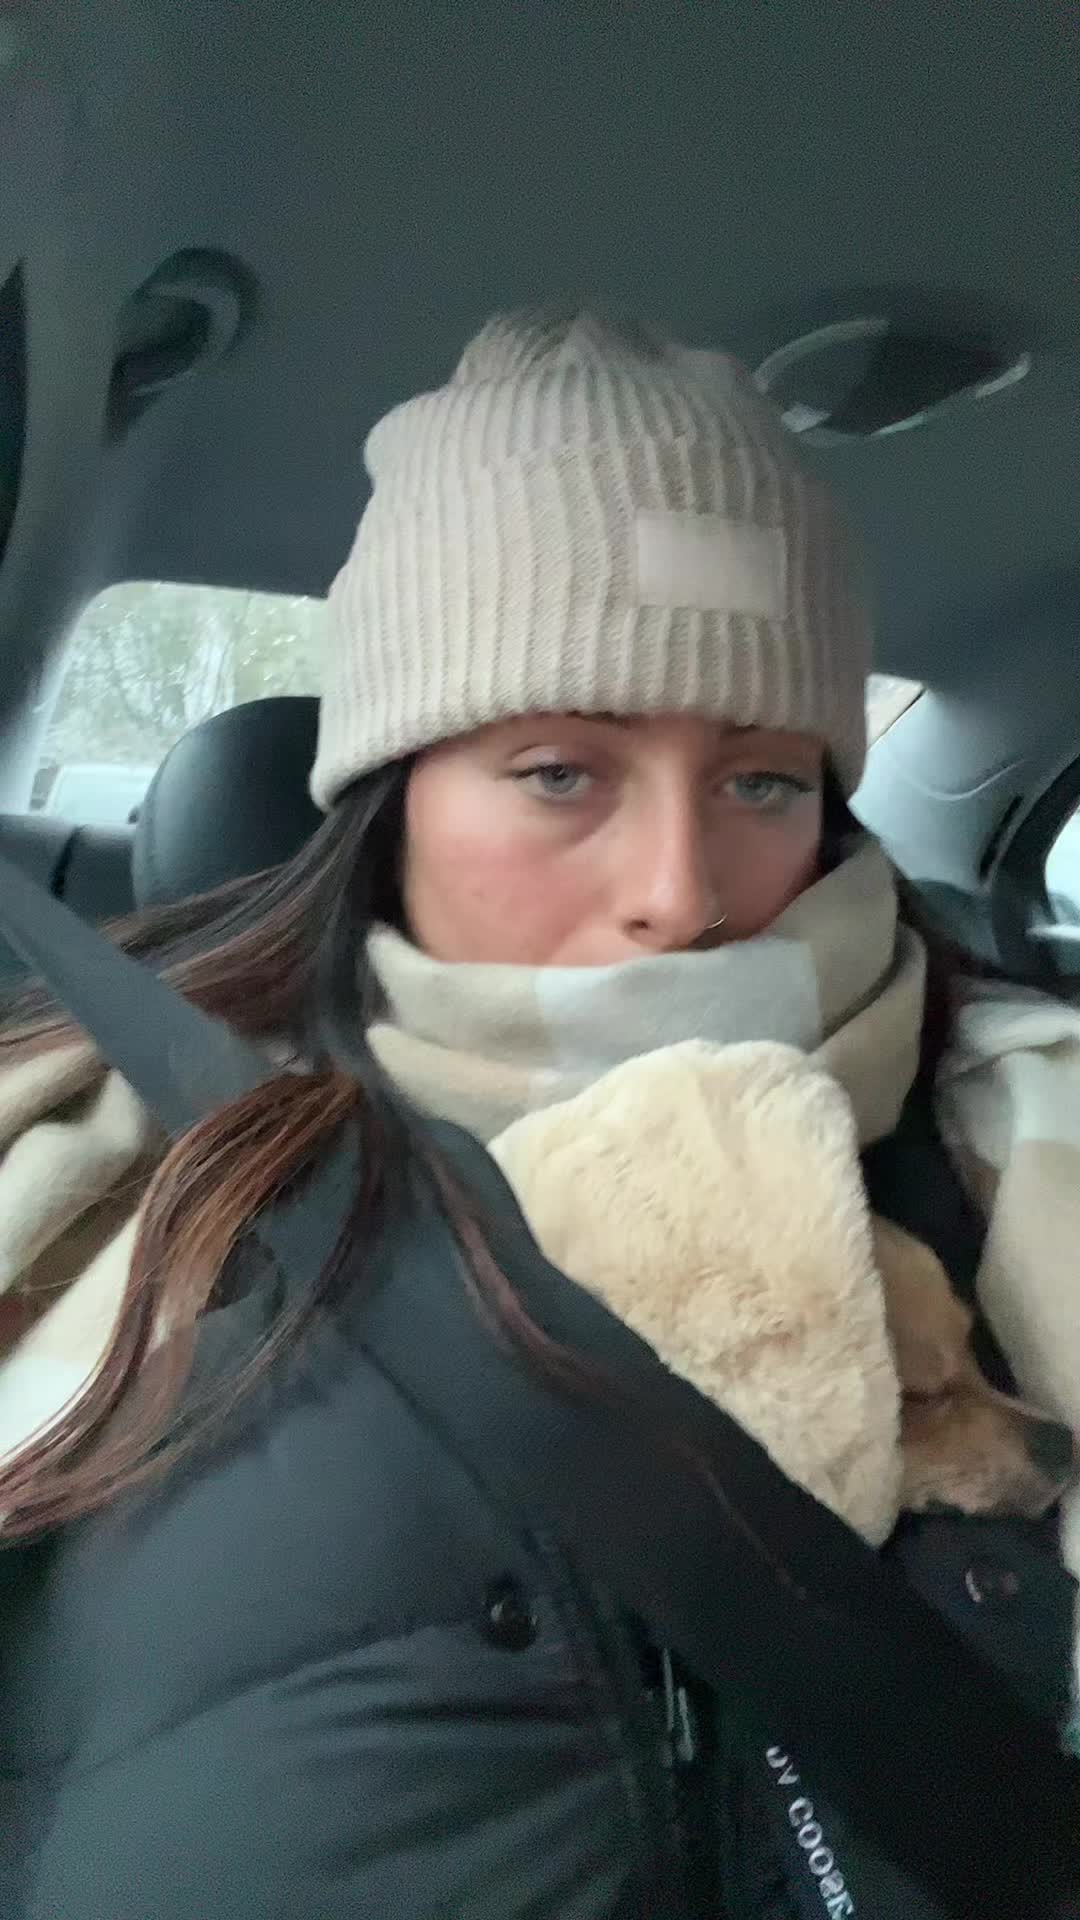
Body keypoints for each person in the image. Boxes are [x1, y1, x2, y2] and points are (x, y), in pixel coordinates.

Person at [0, 309, 1078, 1919]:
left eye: (764, 782)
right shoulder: (93, 1165)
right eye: (562, 772)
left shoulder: (1027, 1134)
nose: (680, 893)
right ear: (397, 795)